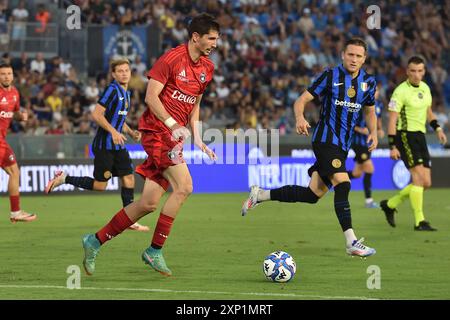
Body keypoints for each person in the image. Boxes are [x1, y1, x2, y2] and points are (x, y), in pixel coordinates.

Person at [80, 13, 220, 277]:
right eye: (211, 38)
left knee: (147, 203)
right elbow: (150, 97)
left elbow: (195, 105)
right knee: (185, 186)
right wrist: (171, 123)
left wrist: (198, 137)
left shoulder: (207, 69)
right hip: (156, 131)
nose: (215, 43)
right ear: (196, 37)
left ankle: (94, 240)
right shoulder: (171, 59)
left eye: (216, 38)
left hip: (173, 135)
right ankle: (154, 250)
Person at [242, 38, 378, 258]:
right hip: (325, 140)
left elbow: (370, 111)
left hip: (342, 145)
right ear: (343, 54)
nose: (354, 59)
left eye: (358, 56)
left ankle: (260, 194)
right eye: (350, 54)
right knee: (342, 184)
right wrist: (299, 118)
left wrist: (373, 132)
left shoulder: (369, 83)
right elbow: (301, 100)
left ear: (364, 59)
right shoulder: (330, 76)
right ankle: (351, 242)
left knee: (312, 194)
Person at [45, 59, 148, 232]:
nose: (124, 73)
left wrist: (130, 132)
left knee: (128, 178)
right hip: (104, 145)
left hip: (118, 145)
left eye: (126, 70)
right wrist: (114, 132)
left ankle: (129, 219)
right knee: (101, 186)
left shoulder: (127, 94)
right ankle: (64, 178)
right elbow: (97, 114)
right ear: (113, 74)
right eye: (120, 71)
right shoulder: (112, 90)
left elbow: (118, 120)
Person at [380, 56, 447, 231]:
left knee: (426, 183)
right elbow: (392, 120)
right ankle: (420, 221)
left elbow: (428, 112)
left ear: (424, 71)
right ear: (407, 71)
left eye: (420, 71)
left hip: (420, 136)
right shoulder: (400, 91)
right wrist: (392, 146)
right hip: (405, 136)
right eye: (413, 71)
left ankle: (390, 204)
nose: (417, 75)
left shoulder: (425, 88)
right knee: (418, 179)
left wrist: (438, 129)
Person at [0, 63, 36, 223]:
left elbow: (12, 113)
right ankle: (15, 212)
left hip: (2, 140)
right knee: (14, 172)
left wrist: (20, 117)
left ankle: (15, 211)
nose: (6, 76)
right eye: (3, 74)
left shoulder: (14, 93)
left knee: (14, 172)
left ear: (13, 75)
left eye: (9, 73)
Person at [347, 84, 384, 208]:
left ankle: (331, 178)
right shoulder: (361, 104)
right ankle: (369, 201)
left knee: (357, 173)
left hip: (367, 142)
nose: (375, 93)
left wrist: (379, 129)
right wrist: (361, 129)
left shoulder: (379, 105)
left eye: (377, 91)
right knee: (369, 169)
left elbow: (377, 119)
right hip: (358, 143)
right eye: (373, 91)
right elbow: (349, 122)